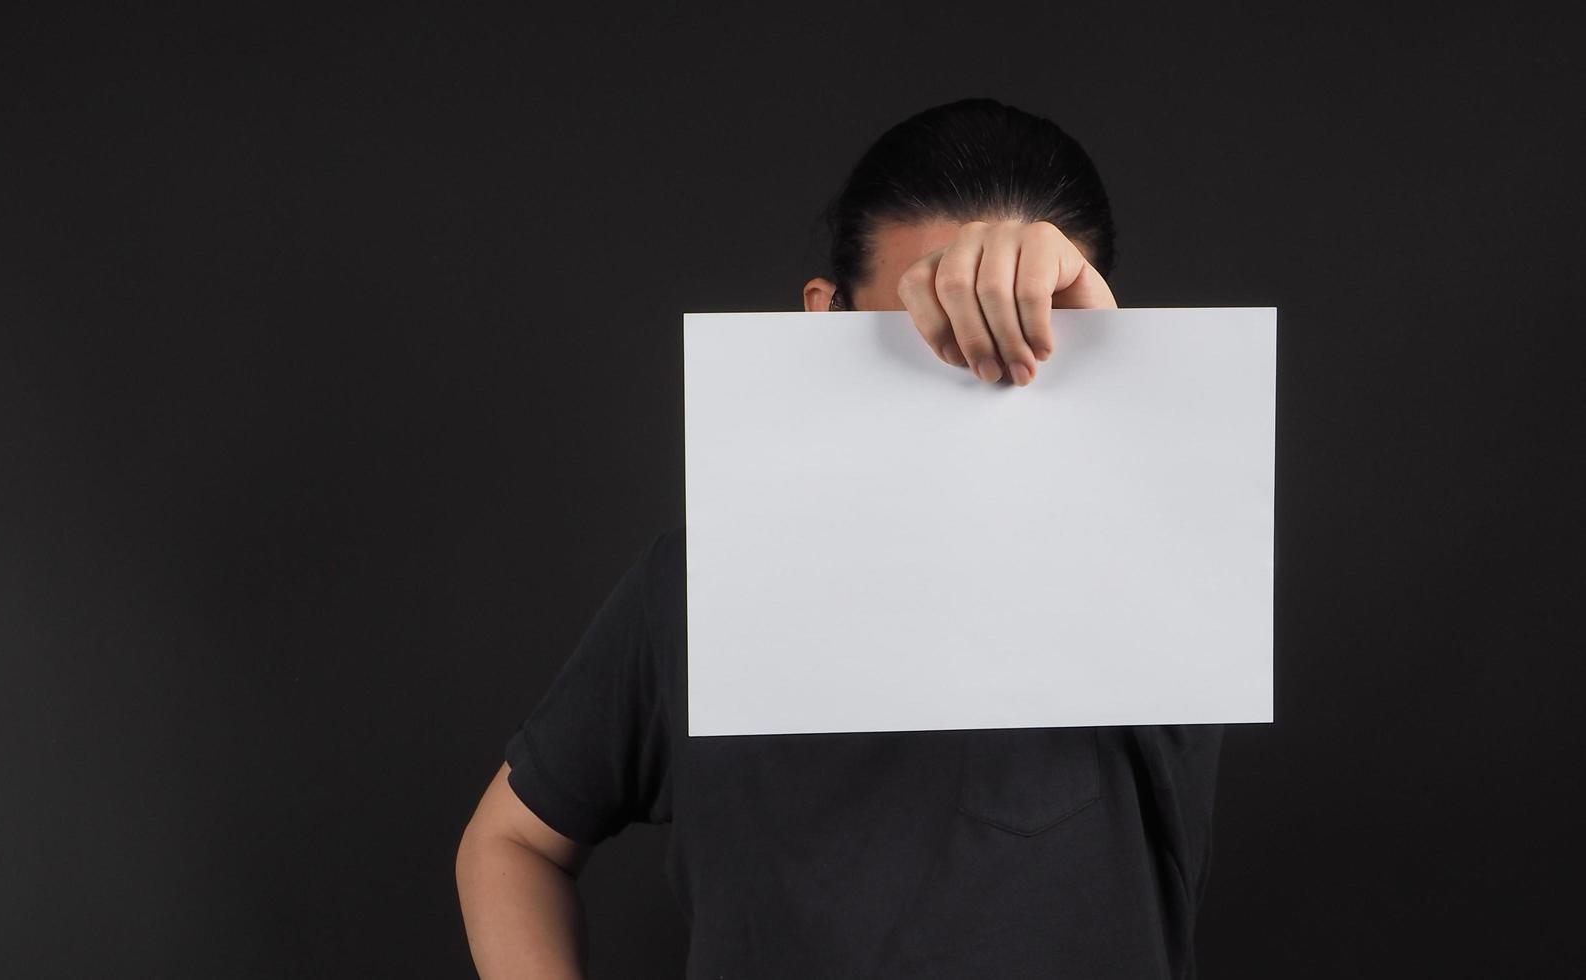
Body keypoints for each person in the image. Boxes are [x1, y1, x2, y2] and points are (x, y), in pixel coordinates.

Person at [456, 97, 1225, 979]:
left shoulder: (1148, 569)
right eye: (928, 340)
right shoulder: (704, 584)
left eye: (1021, 342)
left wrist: (1092, 324)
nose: (972, 379)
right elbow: (509, 843)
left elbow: (1166, 504)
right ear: (823, 321)